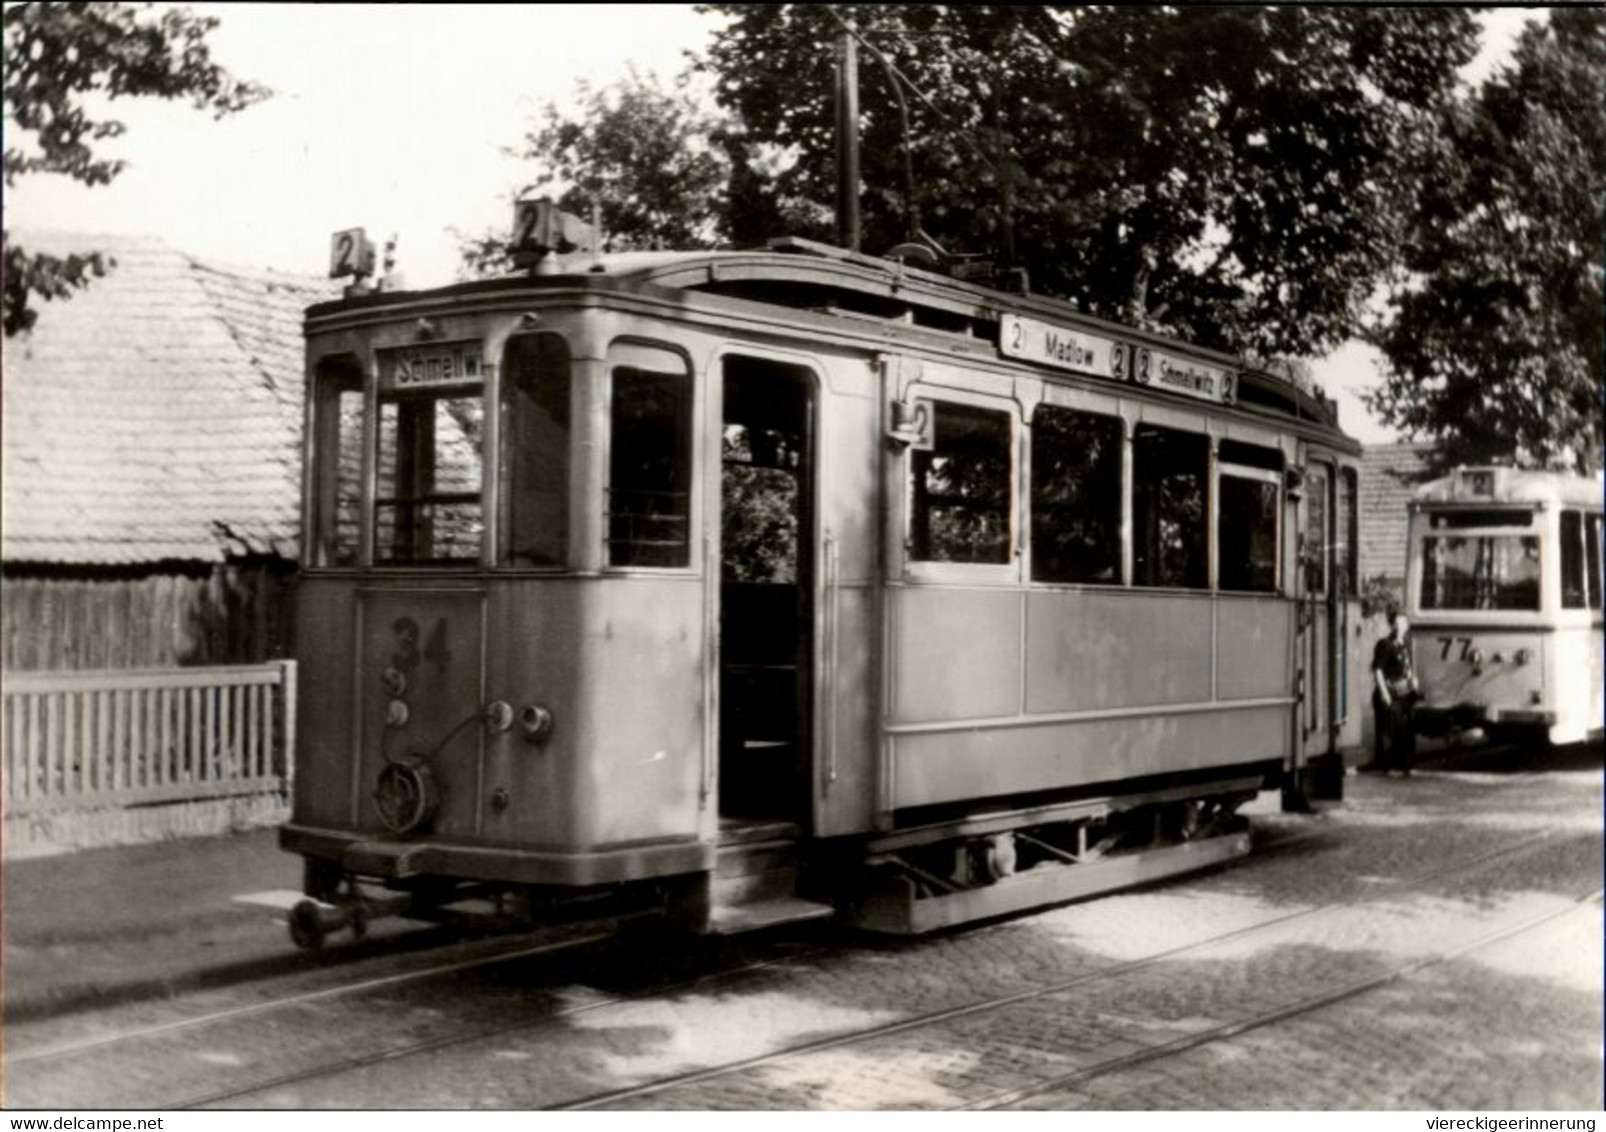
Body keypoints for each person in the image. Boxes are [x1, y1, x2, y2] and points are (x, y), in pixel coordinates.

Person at [1369, 610, 1418, 775]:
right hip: (1389, 693)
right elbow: (1378, 670)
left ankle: (1405, 766)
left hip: (1403, 694)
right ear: (1392, 626)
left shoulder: (1404, 646)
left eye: (1402, 624)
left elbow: (1407, 669)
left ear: (1407, 626)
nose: (1399, 627)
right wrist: (1384, 693)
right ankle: (1387, 767)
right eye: (1396, 624)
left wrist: (1411, 683)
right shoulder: (1384, 645)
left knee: (1403, 730)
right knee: (1387, 732)